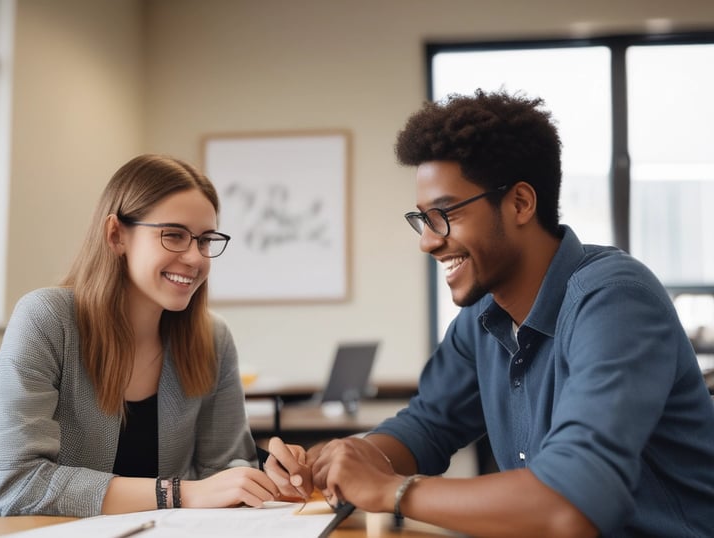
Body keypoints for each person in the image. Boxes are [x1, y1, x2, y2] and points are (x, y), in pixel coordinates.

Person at [265, 90, 714, 537]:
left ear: (520, 203)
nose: (427, 241)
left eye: (443, 214)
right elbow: (428, 424)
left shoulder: (615, 302)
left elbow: (572, 504)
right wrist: (340, 459)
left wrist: (393, 491)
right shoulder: (484, 312)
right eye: (422, 219)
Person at [0, 154, 281, 517]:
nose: (195, 258)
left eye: (205, 241)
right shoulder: (46, 319)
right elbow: (16, 487)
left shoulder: (212, 337)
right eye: (174, 235)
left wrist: (267, 476)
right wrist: (180, 493)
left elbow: (222, 470)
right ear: (116, 235)